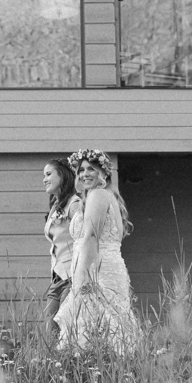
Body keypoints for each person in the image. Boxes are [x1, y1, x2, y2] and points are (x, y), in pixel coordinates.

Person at [53, 148, 140, 353]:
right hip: (105, 266)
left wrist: (82, 277)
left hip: (96, 271)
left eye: (91, 169)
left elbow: (91, 236)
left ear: (104, 172)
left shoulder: (98, 194)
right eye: (81, 170)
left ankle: (96, 374)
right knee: (107, 327)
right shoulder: (103, 196)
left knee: (94, 327)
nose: (84, 174)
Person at [42, 158, 80, 335]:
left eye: (49, 174)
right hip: (57, 277)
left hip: (72, 276)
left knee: (66, 330)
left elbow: (84, 239)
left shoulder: (75, 204)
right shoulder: (56, 205)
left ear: (63, 176)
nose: (44, 179)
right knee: (50, 331)